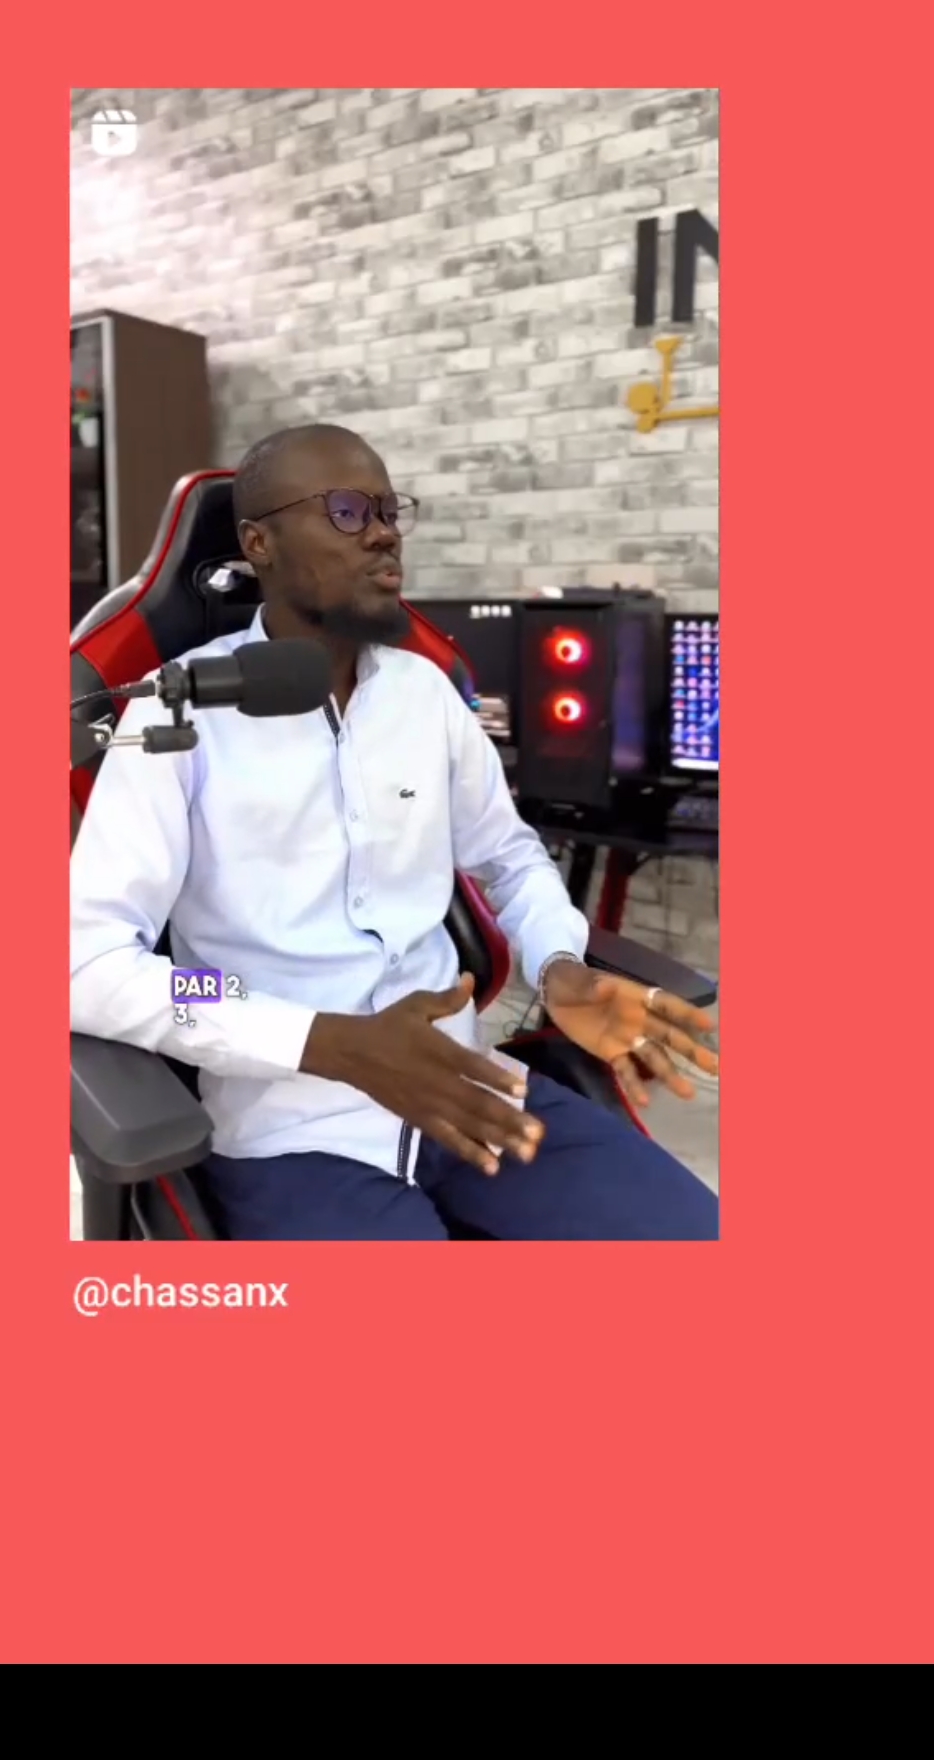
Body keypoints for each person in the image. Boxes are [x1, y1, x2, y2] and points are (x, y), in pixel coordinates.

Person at [70, 424, 719, 1241]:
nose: (383, 533)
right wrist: (320, 1039)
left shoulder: (425, 695)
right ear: (259, 544)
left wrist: (559, 963)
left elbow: (511, 857)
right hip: (293, 1132)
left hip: (471, 1088)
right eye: (346, 511)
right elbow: (90, 965)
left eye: (387, 509)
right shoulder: (177, 714)